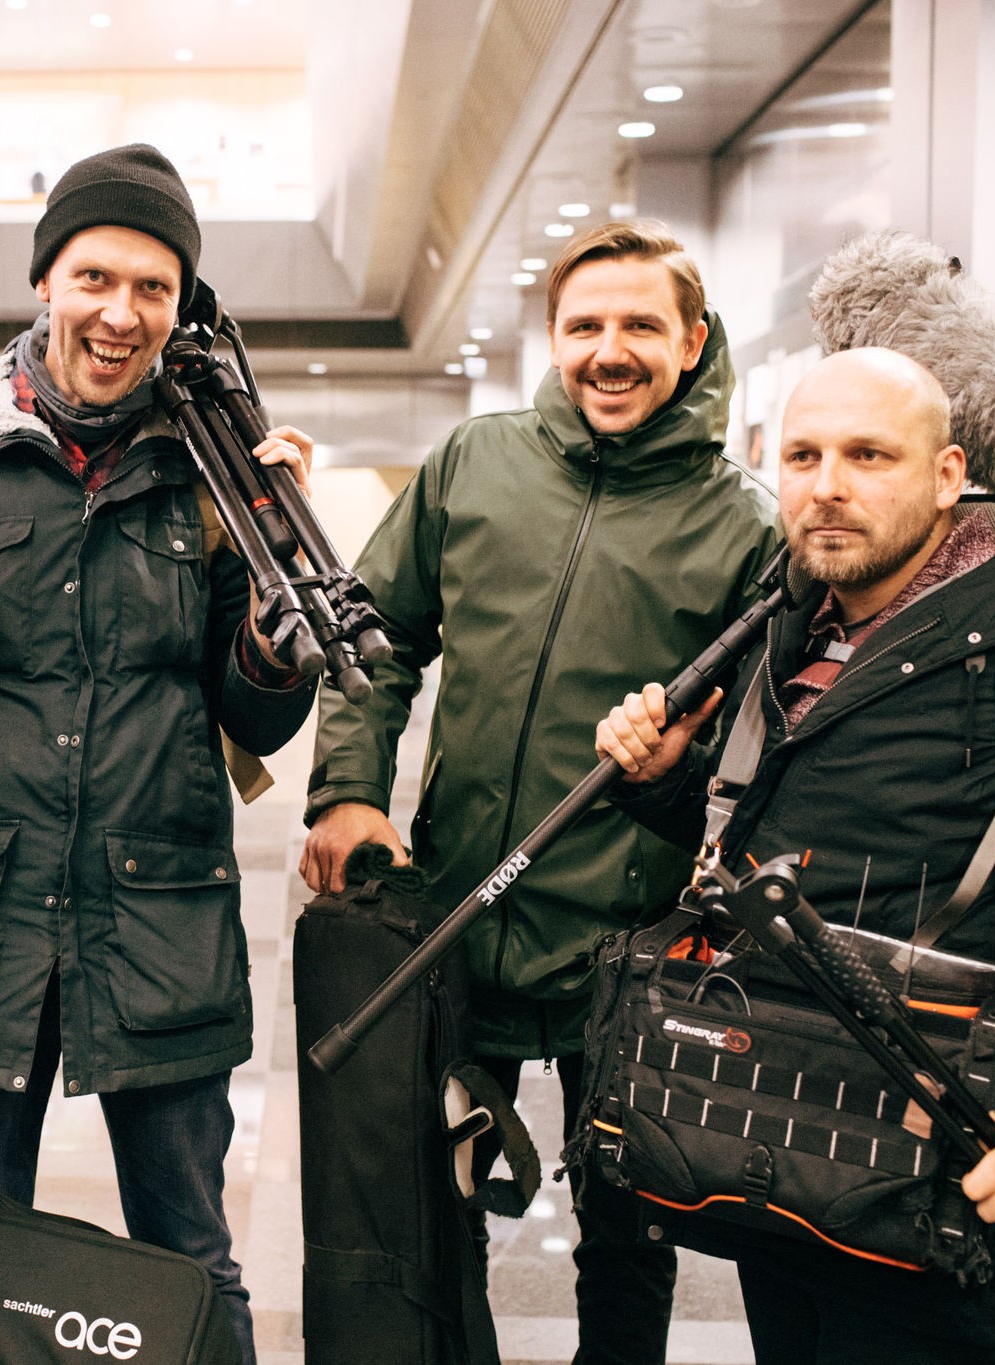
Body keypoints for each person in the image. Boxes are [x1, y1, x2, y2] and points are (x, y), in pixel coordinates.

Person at [594, 347, 995, 1364]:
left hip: (943, 1171)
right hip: (788, 1136)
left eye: (868, 454)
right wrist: (671, 782)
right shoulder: (792, 622)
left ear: (945, 476)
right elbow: (789, 857)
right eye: (803, 456)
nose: (827, 485)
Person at [0, 143, 316, 1365]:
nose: (120, 314)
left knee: (190, 1258)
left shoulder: (218, 465)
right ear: (44, 280)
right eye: (95, 278)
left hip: (155, 923)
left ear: (181, 306)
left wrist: (281, 588)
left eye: (153, 288)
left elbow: (258, 715)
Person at [299, 220, 777, 1364]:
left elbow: (754, 766)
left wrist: (677, 783)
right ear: (553, 337)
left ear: (691, 341)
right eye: (583, 325)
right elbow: (373, 635)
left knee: (625, 1234)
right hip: (453, 916)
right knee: (435, 1205)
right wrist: (347, 789)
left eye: (639, 326)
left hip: (628, 948)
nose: (608, 352)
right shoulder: (475, 462)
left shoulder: (744, 525)